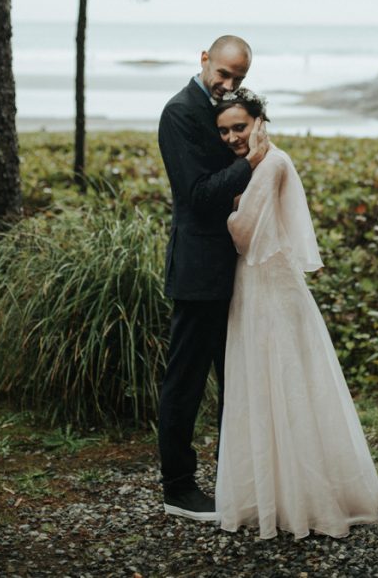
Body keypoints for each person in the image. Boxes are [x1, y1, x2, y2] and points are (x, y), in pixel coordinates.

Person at [214, 88, 378, 539]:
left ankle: (297, 496)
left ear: (259, 122)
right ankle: (278, 490)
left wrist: (228, 211)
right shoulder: (264, 161)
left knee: (281, 380)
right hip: (267, 282)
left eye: (240, 127)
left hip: (266, 285)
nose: (232, 136)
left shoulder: (268, 164)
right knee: (278, 380)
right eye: (225, 130)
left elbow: (245, 234)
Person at [157, 36, 269, 521]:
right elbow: (199, 196)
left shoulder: (234, 112)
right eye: (222, 74)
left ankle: (233, 480)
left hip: (238, 268)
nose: (228, 85)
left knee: (236, 382)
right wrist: (250, 162)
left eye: (237, 79)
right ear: (204, 59)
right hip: (199, 270)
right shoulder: (179, 113)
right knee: (184, 382)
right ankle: (178, 488)